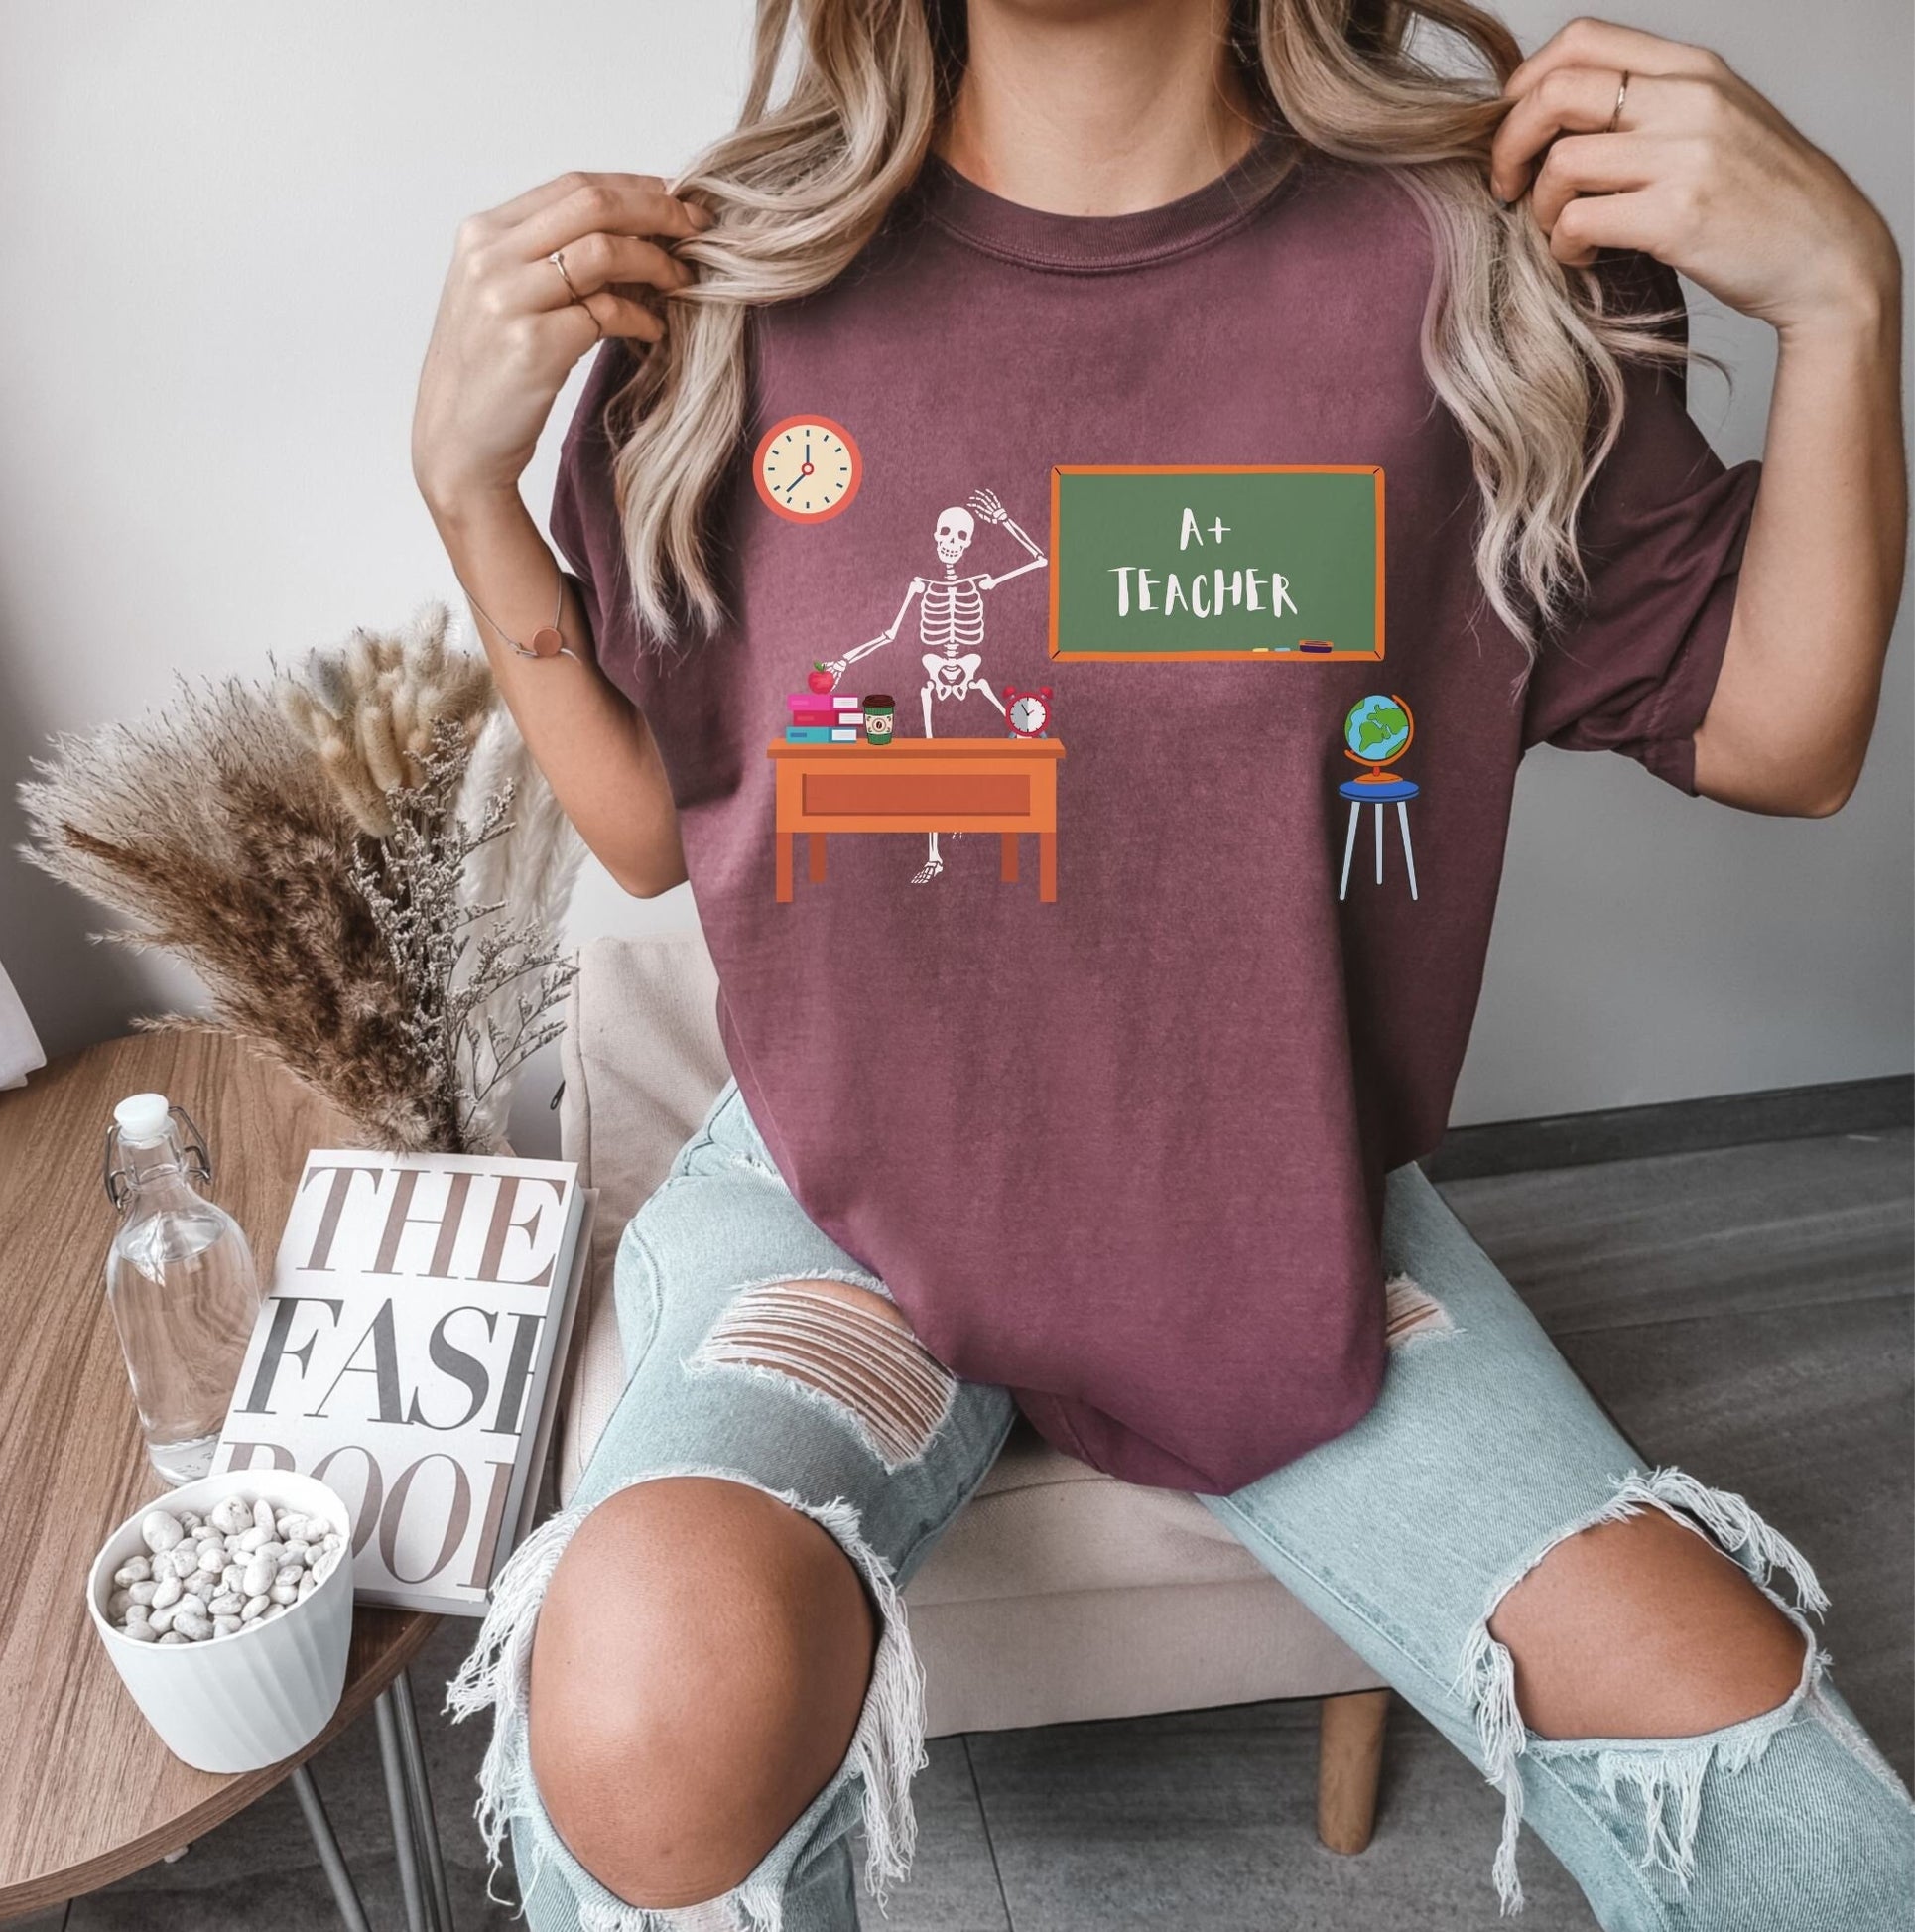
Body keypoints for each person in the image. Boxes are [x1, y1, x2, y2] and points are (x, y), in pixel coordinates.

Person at [413, 4, 1910, 1927]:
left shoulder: (1473, 267)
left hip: (1271, 1222)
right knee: (645, 1688)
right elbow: (648, 823)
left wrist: (1849, 304)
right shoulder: (715, 290)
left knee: (1813, 1846)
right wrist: (468, 491)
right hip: (839, 1200)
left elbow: (1781, 738)